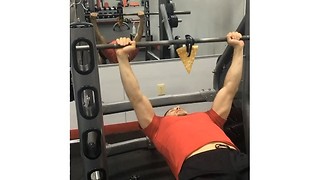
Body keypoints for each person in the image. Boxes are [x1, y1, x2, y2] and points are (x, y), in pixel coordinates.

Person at [115, 32, 248, 180]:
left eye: (177, 108)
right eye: (171, 110)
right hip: (200, 167)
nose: (177, 108)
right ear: (165, 117)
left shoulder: (210, 117)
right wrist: (122, 58)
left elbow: (230, 88)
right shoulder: (156, 127)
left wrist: (238, 48)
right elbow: (136, 97)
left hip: (237, 159)